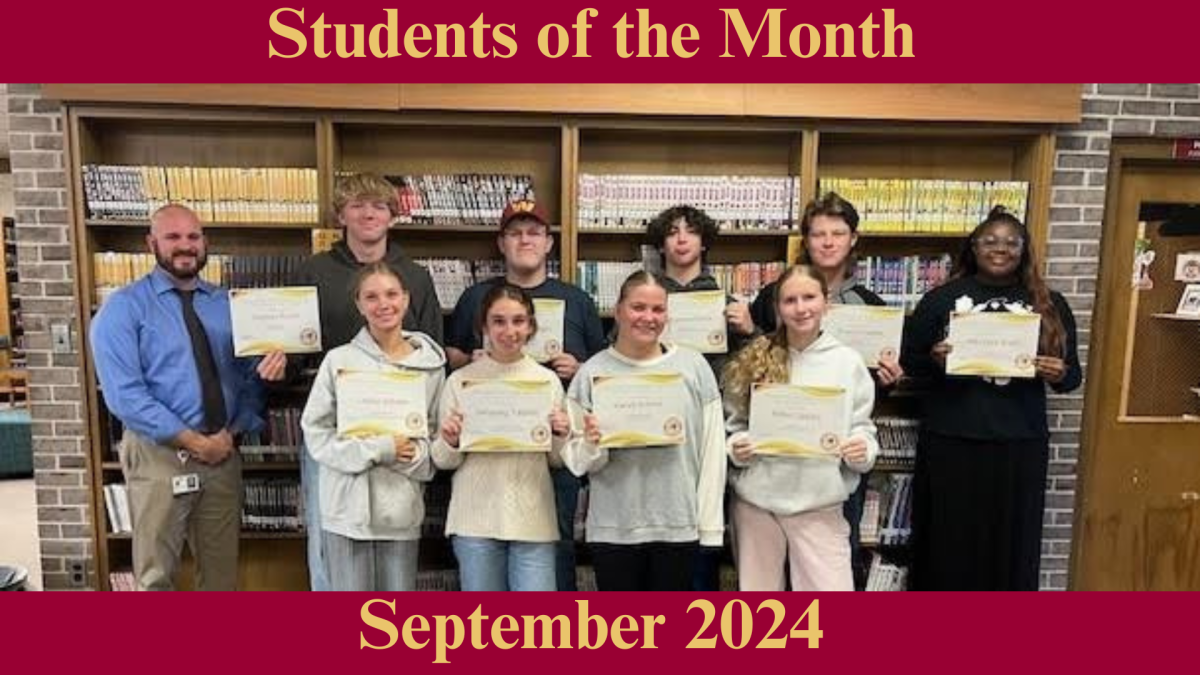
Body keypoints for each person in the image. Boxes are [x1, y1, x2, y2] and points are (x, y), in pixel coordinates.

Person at [89, 204, 278, 591]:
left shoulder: (229, 304)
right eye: (173, 237)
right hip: (160, 455)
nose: (185, 246)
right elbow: (125, 396)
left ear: (205, 242)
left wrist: (234, 430)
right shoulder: (123, 309)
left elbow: (248, 379)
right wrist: (193, 441)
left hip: (223, 452)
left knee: (221, 575)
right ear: (151, 243)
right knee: (157, 574)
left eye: (193, 237)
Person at [902, 205, 1082, 591]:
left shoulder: (1049, 303)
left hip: (1018, 445)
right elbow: (909, 364)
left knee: (1012, 546)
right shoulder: (941, 300)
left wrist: (1059, 372)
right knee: (947, 544)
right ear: (974, 247)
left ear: (1024, 249)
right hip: (952, 440)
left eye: (1011, 242)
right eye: (990, 241)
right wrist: (935, 360)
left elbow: (1072, 378)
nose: (1000, 249)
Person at [445, 198, 605, 591]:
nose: (525, 240)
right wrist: (473, 361)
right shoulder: (474, 298)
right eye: (515, 233)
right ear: (501, 243)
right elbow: (452, 357)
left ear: (549, 243)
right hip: (483, 464)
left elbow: (603, 369)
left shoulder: (577, 300)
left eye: (534, 232)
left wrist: (579, 369)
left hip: (549, 453)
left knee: (557, 551)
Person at [293, 172, 443, 591]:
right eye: (357, 205)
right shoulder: (314, 271)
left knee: (396, 572)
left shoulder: (415, 276)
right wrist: (276, 359)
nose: (368, 213)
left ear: (392, 216)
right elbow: (294, 349)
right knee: (330, 550)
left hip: (401, 445)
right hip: (340, 438)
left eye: (378, 205)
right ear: (341, 214)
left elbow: (433, 353)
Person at [749, 192, 903, 586]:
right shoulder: (770, 296)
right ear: (807, 240)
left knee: (831, 558)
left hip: (832, 460)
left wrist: (890, 378)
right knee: (767, 577)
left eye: (838, 233)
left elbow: (864, 397)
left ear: (853, 239)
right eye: (819, 234)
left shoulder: (872, 304)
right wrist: (750, 333)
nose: (828, 242)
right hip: (774, 462)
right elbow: (753, 369)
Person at [563, 271, 726, 591]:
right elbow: (577, 461)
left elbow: (712, 453)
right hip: (613, 528)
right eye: (638, 307)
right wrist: (593, 444)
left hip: (678, 524)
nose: (648, 318)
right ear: (619, 309)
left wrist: (709, 526)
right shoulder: (592, 372)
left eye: (658, 309)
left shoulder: (694, 367)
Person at [722, 265, 879, 591]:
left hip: (819, 504)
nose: (801, 307)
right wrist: (738, 448)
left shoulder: (848, 362)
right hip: (757, 504)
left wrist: (861, 449)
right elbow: (734, 426)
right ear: (778, 307)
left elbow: (863, 429)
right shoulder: (756, 356)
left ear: (827, 302)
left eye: (809, 297)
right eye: (790, 300)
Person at [644, 205, 756, 590]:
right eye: (672, 231)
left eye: (690, 231)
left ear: (703, 241)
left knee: (707, 523)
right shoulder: (645, 295)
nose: (681, 239)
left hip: (711, 426)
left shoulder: (726, 300)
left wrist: (750, 329)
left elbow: (758, 365)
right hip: (654, 422)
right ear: (661, 242)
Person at [433, 283, 571, 591]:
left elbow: (559, 460)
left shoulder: (546, 382)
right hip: (475, 521)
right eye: (499, 321)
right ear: (484, 326)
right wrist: (451, 440)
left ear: (531, 326)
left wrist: (561, 434)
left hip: (534, 520)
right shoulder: (461, 382)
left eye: (519, 320)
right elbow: (441, 460)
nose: (510, 330)